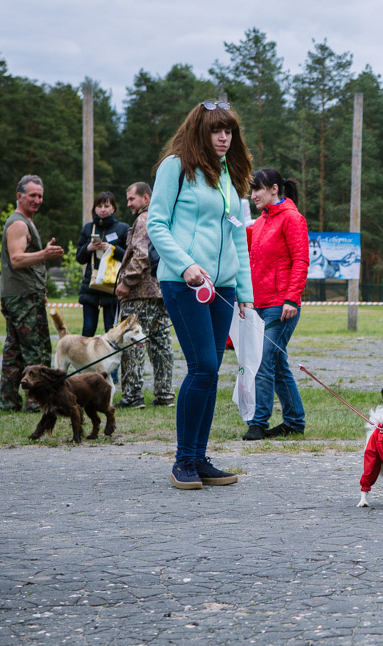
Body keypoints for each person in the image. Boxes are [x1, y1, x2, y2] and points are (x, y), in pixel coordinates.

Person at [146, 100, 254, 490]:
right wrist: (186, 264)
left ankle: (200, 458)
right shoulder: (175, 167)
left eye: (229, 130)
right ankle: (183, 462)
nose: (224, 137)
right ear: (199, 131)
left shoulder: (229, 174)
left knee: (210, 374)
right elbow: (156, 224)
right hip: (185, 283)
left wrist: (245, 292)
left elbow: (237, 234)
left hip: (222, 287)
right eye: (215, 130)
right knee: (203, 367)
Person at [241, 167, 308, 441]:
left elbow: (301, 261)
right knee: (277, 363)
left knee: (263, 361)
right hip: (260, 305)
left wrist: (292, 298)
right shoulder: (259, 223)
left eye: (257, 189)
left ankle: (258, 422)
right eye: (252, 190)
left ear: (274, 189)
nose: (253, 194)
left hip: (282, 307)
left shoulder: (293, 219)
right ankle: (294, 421)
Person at [0, 175, 65, 412]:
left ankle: (8, 401)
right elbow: (16, 259)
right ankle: (36, 404)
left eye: (40, 196)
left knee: (14, 351)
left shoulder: (25, 221)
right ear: (19, 196)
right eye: (32, 195)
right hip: (22, 297)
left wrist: (40, 289)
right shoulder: (18, 223)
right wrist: (45, 255)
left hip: (22, 294)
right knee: (36, 350)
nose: (37, 200)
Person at [114, 182, 175, 409]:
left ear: (146, 198)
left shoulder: (143, 219)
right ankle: (165, 394)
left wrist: (127, 282)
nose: (128, 204)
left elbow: (140, 255)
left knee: (132, 343)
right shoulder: (162, 219)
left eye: (132, 199)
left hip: (139, 292)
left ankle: (132, 396)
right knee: (161, 344)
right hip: (159, 292)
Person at [74, 191, 129, 336]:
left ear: (113, 208)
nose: (102, 209)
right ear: (94, 209)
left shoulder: (123, 228)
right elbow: (79, 258)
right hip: (91, 284)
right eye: (99, 206)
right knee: (88, 329)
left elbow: (129, 258)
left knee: (111, 330)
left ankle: (109, 359)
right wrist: (88, 248)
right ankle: (86, 359)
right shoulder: (88, 228)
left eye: (106, 205)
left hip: (112, 284)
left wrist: (113, 249)